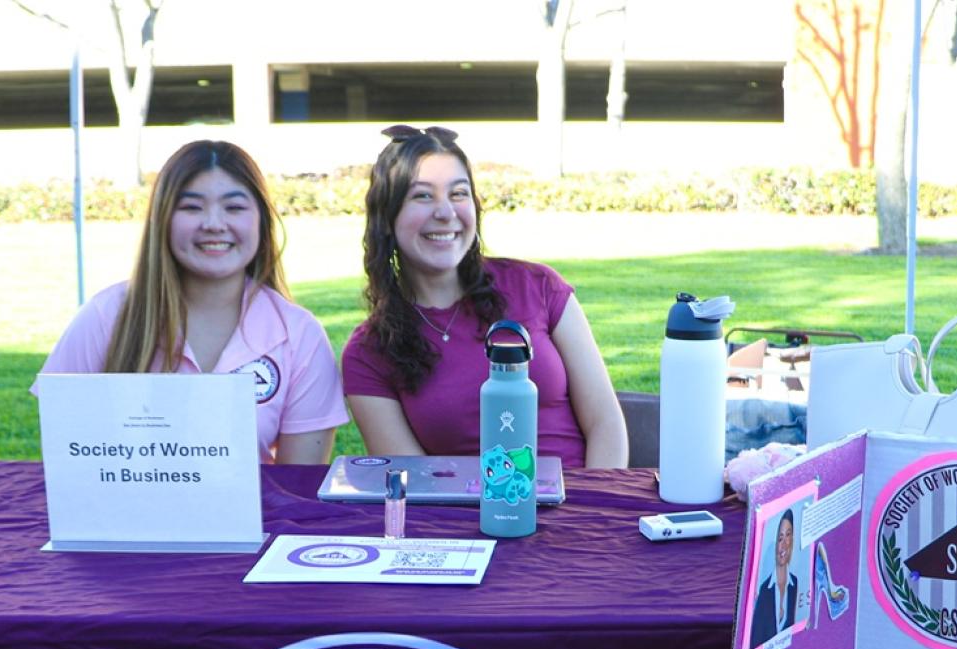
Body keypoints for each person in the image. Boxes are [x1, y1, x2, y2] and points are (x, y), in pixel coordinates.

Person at [36, 140, 346, 464]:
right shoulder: (105, 317)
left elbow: (296, 489)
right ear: (163, 220)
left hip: (260, 516)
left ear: (262, 221)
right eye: (191, 207)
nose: (213, 223)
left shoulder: (299, 335)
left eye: (234, 207)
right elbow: (67, 466)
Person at [340, 125, 628, 469]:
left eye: (458, 194)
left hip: (582, 506)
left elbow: (605, 423)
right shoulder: (368, 353)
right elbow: (415, 481)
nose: (445, 212)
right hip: (463, 519)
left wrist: (591, 508)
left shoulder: (538, 287)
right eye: (422, 196)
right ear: (386, 218)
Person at [750, 509, 800, 647]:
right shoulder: (764, 590)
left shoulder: (794, 584)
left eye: (788, 535)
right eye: (780, 538)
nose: (783, 544)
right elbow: (754, 641)